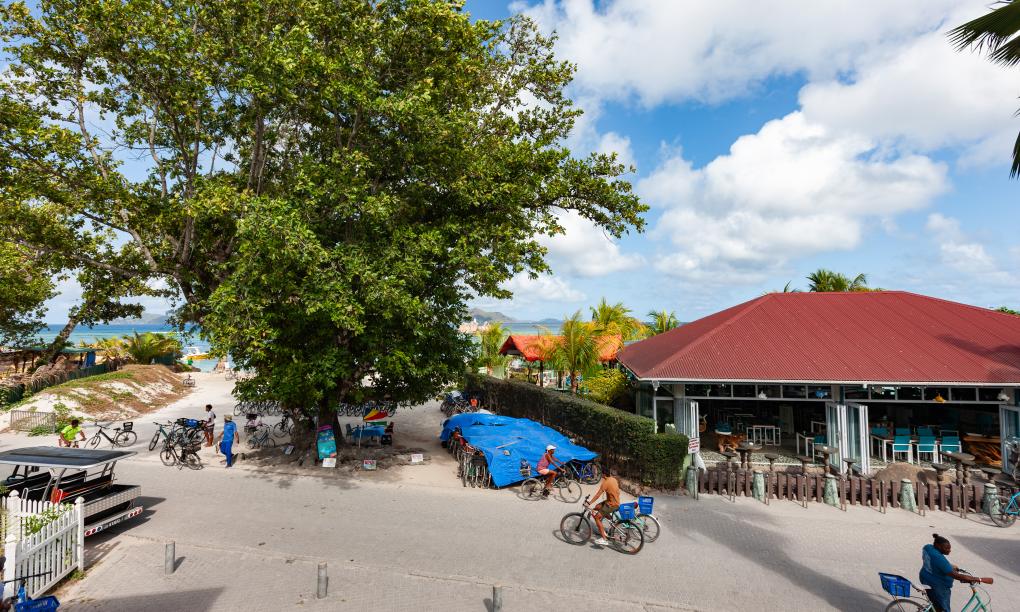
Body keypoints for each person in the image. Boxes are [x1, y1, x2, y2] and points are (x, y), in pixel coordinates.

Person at [919, 533, 993, 612]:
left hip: (925, 577)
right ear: (938, 546)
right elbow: (958, 576)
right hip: (938, 586)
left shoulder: (928, 548)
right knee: (944, 609)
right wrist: (979, 579)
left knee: (936, 605)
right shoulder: (939, 559)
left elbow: (933, 562)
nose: (949, 550)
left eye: (949, 548)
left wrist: (950, 566)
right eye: (946, 548)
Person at [588, 466, 621, 546]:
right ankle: (609, 519)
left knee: (596, 517)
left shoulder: (605, 482)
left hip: (612, 504)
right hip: (613, 502)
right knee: (597, 506)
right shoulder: (613, 479)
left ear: (603, 474)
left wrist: (589, 503)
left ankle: (604, 539)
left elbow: (598, 495)